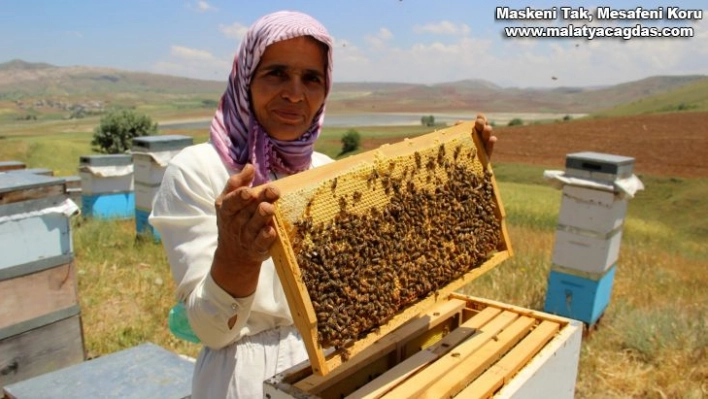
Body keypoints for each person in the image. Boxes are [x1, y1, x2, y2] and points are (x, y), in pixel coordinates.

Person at [149, 10, 495, 399]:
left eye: (311, 79)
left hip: (339, 365)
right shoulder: (198, 171)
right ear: (245, 79)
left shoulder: (328, 173)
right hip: (241, 377)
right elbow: (213, 331)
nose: (295, 94)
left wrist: (457, 175)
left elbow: (383, 275)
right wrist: (238, 256)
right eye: (276, 73)